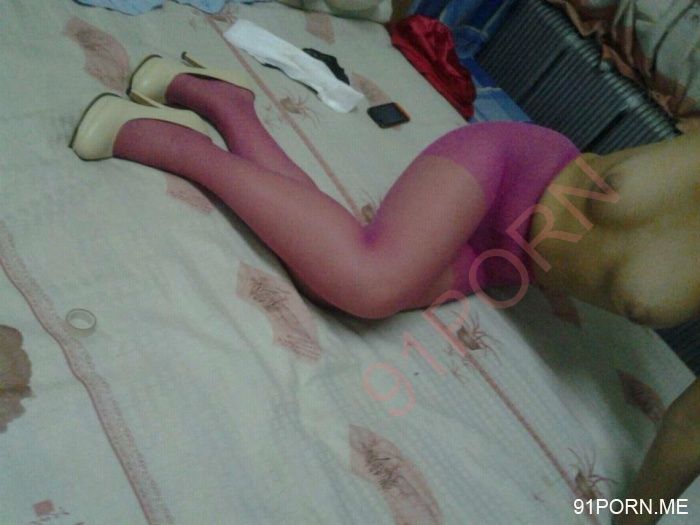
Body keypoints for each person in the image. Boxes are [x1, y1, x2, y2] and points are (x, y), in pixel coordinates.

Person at [70, 54, 699, 524]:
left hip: (506, 262)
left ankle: (228, 105)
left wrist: (636, 518)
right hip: (513, 168)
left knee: (340, 271)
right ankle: (181, 147)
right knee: (368, 284)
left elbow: (688, 430)